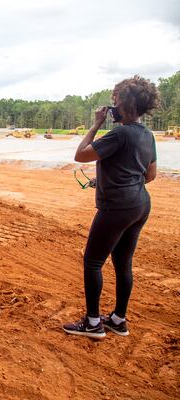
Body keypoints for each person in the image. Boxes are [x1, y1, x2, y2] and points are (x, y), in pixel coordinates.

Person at [63, 76, 159, 339]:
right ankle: (118, 319)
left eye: (115, 101)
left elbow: (81, 155)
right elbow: (150, 174)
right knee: (122, 262)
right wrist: (115, 180)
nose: (111, 107)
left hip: (117, 207)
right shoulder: (147, 135)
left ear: (126, 104)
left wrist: (95, 124)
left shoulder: (119, 132)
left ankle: (93, 324)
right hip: (140, 204)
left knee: (93, 262)